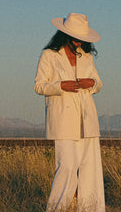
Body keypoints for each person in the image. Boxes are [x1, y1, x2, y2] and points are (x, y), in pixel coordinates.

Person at [34, 13, 105, 212]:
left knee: (90, 168)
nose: (79, 42)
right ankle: (58, 208)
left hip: (87, 119)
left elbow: (98, 83)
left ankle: (90, 208)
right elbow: (39, 86)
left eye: (82, 38)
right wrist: (60, 86)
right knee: (67, 166)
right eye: (76, 38)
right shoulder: (49, 55)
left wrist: (91, 83)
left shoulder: (86, 56)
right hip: (63, 120)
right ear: (64, 35)